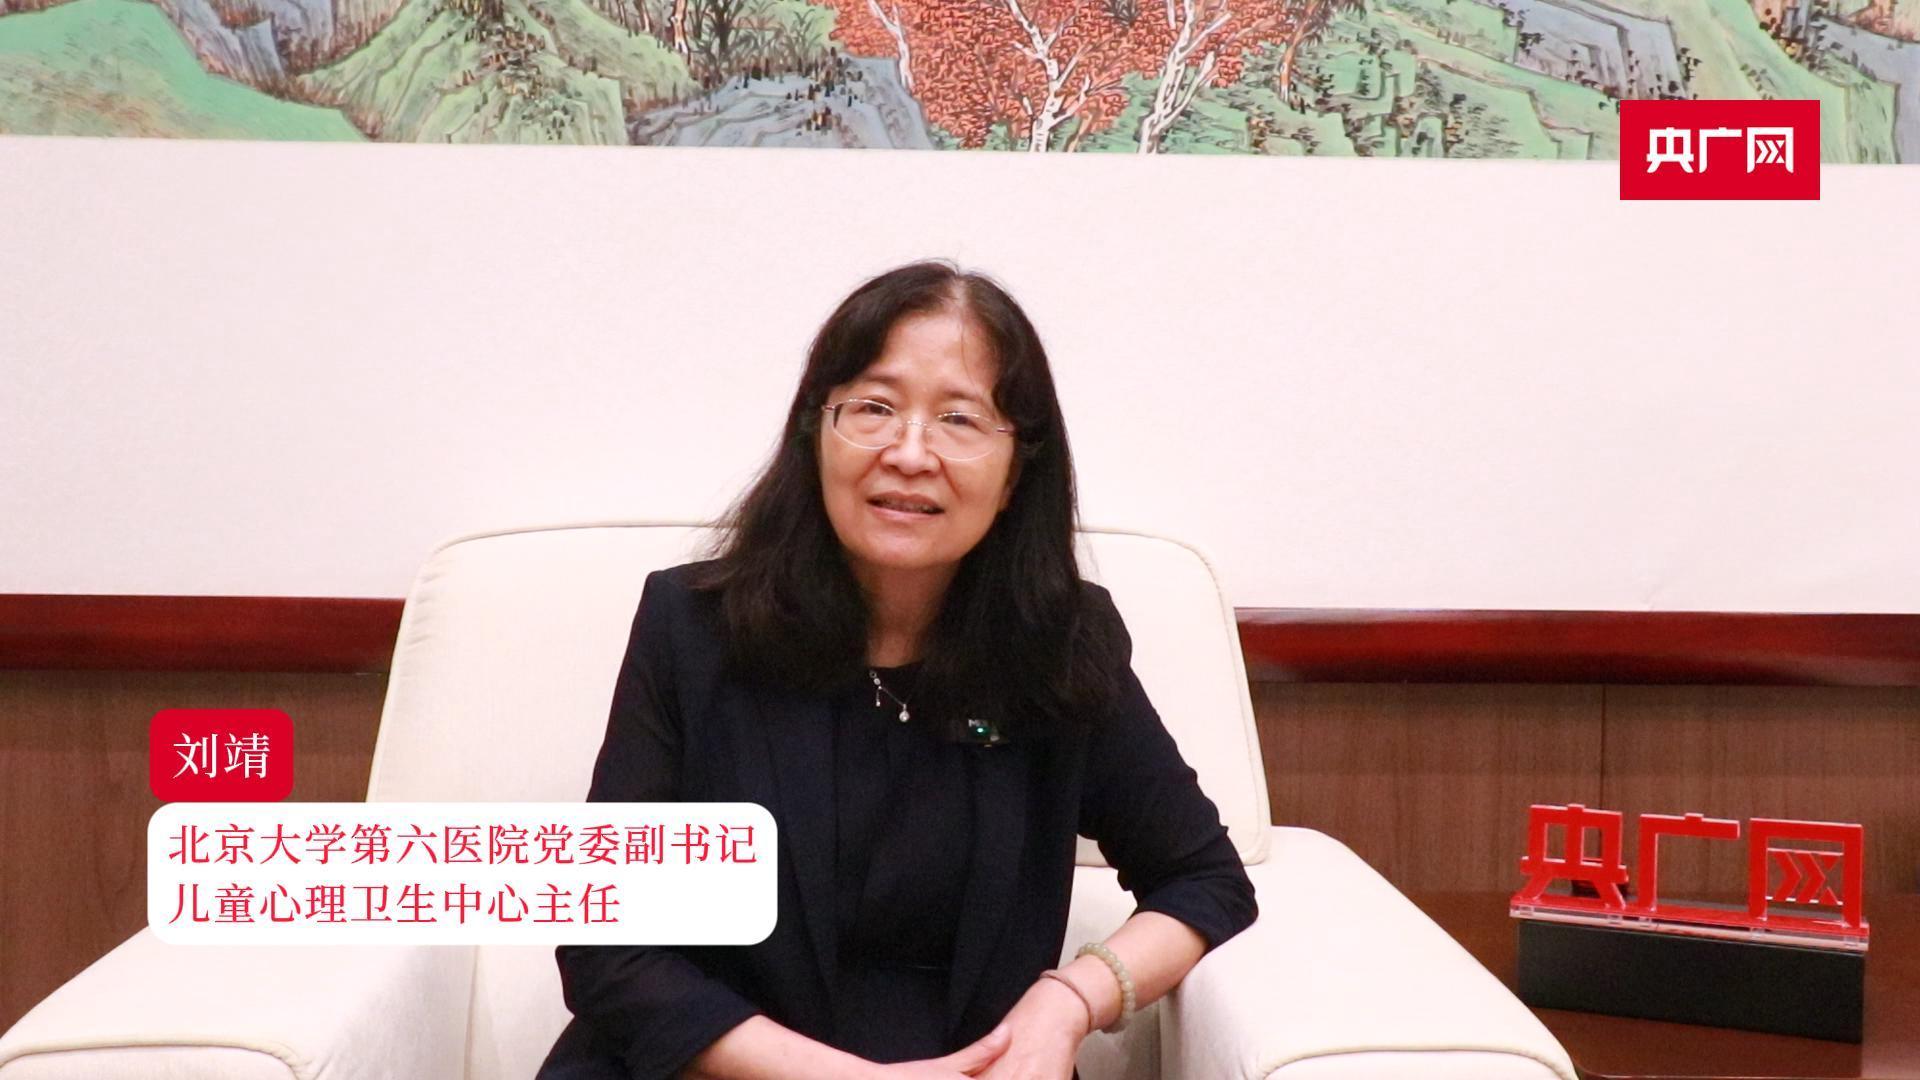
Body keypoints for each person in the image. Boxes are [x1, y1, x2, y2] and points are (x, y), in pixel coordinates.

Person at [537, 260, 1257, 1080]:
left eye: (959, 419)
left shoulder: (1059, 643)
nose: (910, 453)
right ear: (816, 434)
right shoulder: (692, 629)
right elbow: (606, 947)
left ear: (1016, 471)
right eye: (874, 408)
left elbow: (1204, 879)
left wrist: (1069, 1002)